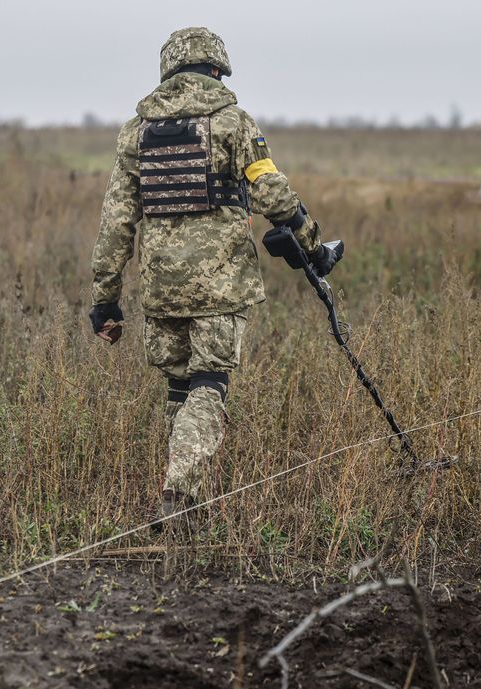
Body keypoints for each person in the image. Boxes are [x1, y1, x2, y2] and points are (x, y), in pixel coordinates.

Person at [89, 26, 338, 526]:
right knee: (209, 385)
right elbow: (271, 193)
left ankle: (186, 504)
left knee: (178, 389)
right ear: (218, 70)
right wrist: (311, 242)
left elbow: (116, 221)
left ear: (169, 71)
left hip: (161, 290)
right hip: (221, 288)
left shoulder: (134, 133)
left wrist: (106, 297)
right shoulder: (232, 123)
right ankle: (179, 493)